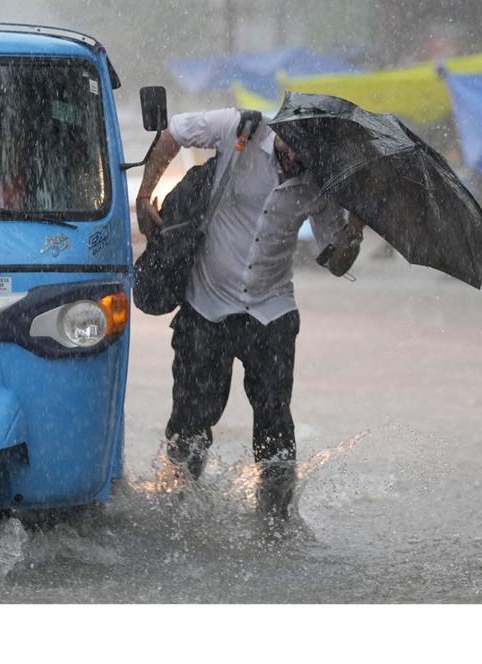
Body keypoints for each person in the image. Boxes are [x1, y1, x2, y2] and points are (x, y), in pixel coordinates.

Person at [136, 107, 364, 522]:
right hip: (206, 305)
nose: (295, 160)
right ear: (281, 128)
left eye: (306, 154)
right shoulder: (237, 127)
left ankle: (275, 523)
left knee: (276, 428)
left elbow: (336, 263)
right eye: (292, 146)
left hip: (271, 311)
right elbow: (175, 131)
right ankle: (178, 511)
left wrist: (356, 229)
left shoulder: (319, 178)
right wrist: (144, 192)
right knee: (190, 424)